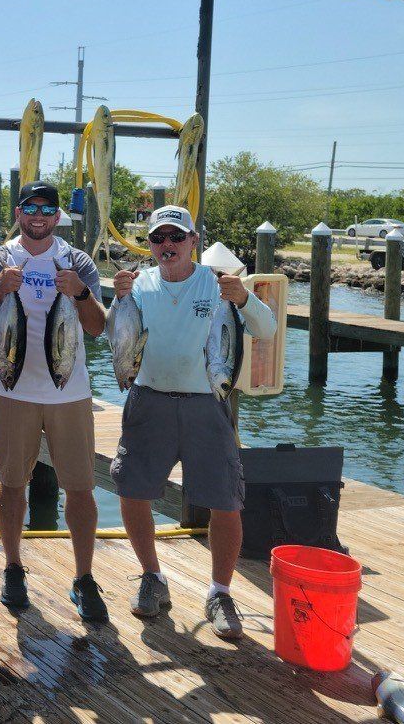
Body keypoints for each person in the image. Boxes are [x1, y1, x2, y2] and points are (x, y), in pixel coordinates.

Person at [110, 205, 276, 639]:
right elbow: (115, 336)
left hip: (207, 403)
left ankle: (221, 592)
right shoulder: (138, 285)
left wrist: (244, 298)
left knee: (225, 501)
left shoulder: (219, 285)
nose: (167, 245)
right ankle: (152, 576)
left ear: (193, 241)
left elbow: (267, 328)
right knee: (132, 491)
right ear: (150, 245)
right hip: (148, 401)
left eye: (176, 237)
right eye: (158, 238)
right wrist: (118, 298)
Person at [0, 182, 110, 622]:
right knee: (11, 482)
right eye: (30, 208)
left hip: (69, 393)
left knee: (81, 488)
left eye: (46, 209)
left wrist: (80, 292)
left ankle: (84, 577)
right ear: (19, 213)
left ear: (57, 216)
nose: (38, 216)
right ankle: (13, 567)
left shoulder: (79, 261)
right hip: (13, 391)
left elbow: (96, 328)